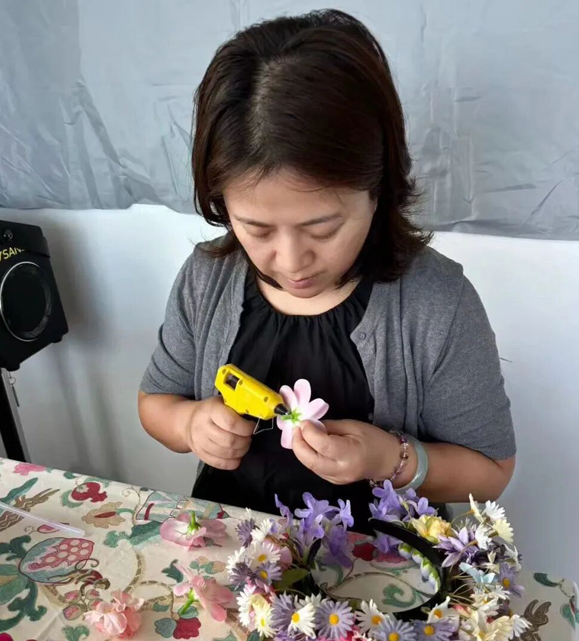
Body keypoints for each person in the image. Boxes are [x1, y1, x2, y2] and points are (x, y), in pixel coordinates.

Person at [138, 9, 515, 528]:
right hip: (233, 555)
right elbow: (156, 401)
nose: (291, 262)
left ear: (377, 190)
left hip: (381, 567)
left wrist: (390, 460)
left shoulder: (437, 302)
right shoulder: (206, 279)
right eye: (257, 229)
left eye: (322, 228)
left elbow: (491, 470)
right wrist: (190, 423)